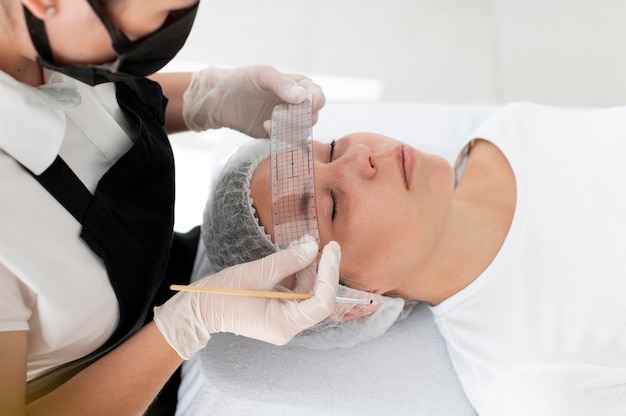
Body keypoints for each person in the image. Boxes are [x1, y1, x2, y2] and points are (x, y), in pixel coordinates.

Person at [0, 1, 342, 414]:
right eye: (164, 10)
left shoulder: (43, 39)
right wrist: (184, 326)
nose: (170, 28)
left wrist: (209, 98)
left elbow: (88, 104)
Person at [202, 102, 626, 415]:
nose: (359, 157)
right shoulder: (540, 384)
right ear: (351, 303)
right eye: (331, 206)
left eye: (329, 149)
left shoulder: (504, 134)